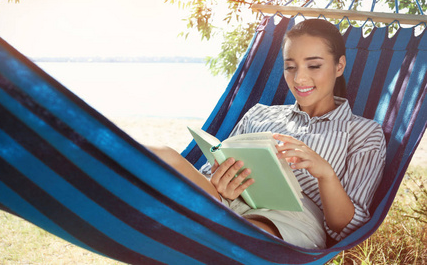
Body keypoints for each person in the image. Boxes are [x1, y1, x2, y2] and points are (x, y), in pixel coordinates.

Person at [148, 18, 386, 249]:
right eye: (290, 67)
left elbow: (347, 226)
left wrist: (326, 174)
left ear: (339, 66)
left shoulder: (364, 133)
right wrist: (219, 182)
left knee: (242, 237)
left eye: (314, 65)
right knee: (161, 156)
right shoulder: (259, 114)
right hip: (226, 201)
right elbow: (211, 168)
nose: (299, 78)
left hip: (289, 220)